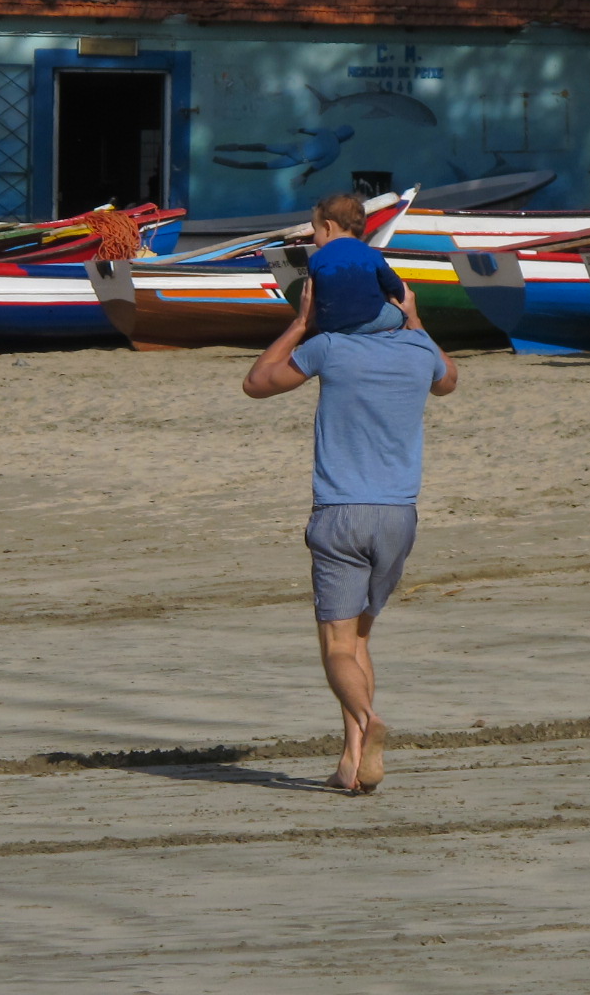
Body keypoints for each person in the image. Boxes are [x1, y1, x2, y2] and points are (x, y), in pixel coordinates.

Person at [241, 260, 458, 794]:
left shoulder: (329, 347)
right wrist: (417, 321)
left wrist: (299, 323)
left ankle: (367, 719)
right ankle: (353, 762)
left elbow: (256, 383)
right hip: (398, 517)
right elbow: (449, 382)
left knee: (336, 646)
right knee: (360, 640)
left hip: (340, 514)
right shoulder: (418, 350)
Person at [307, 192, 406, 336]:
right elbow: (395, 285)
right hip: (370, 321)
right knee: (398, 315)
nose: (314, 239)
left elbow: (313, 294)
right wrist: (397, 297)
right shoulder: (371, 253)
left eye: (316, 231)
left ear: (328, 227)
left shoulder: (315, 258)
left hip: (330, 326)